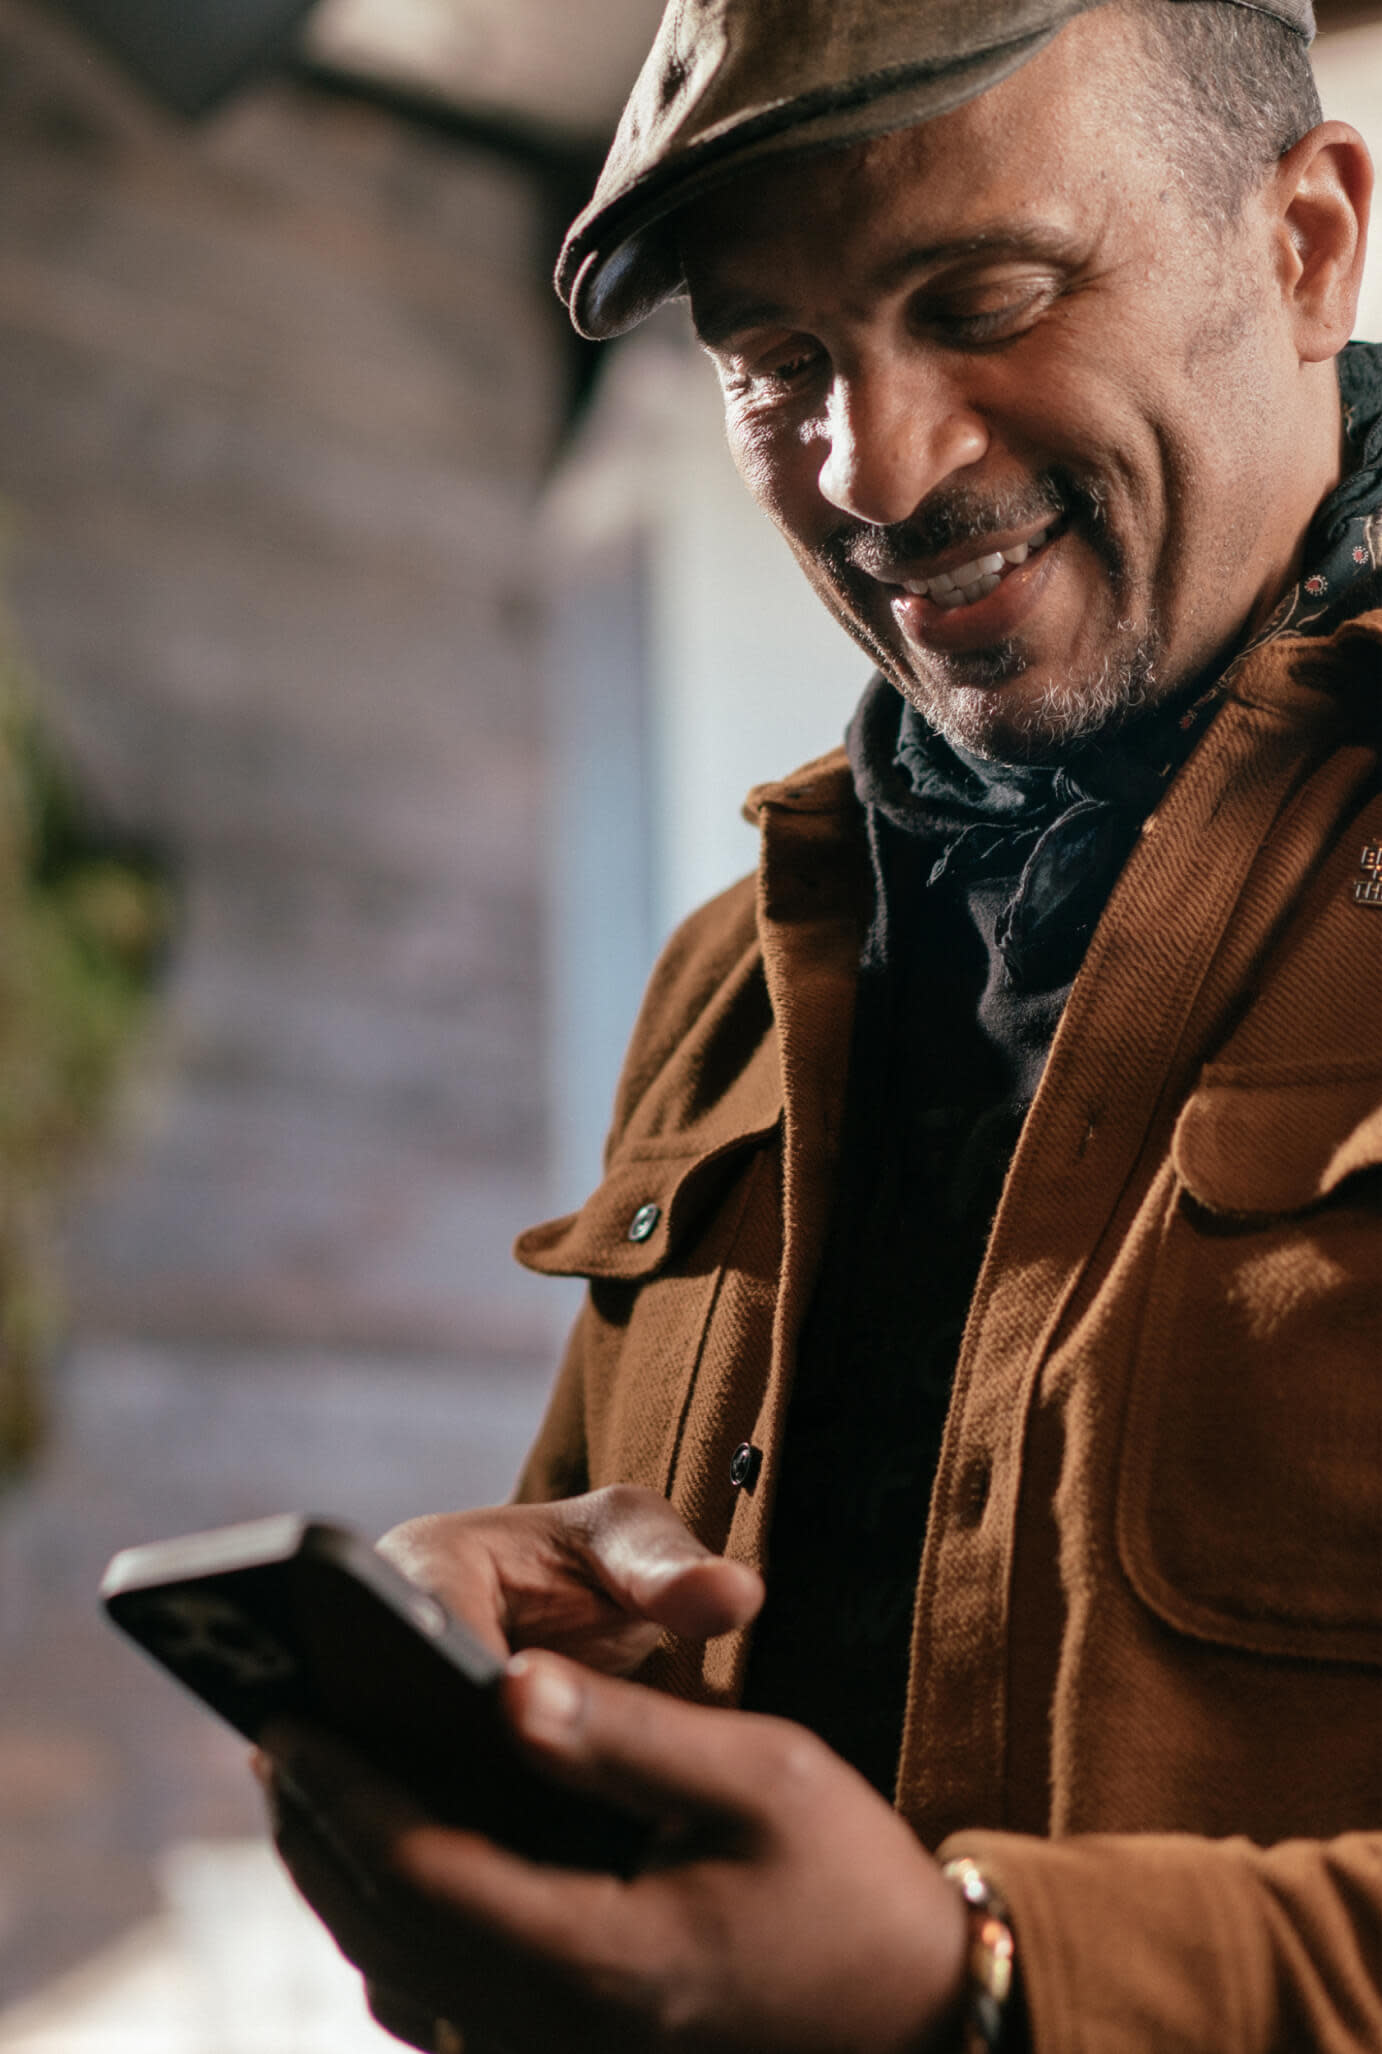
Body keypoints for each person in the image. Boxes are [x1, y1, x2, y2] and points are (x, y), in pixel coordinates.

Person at [260, 0, 1382, 2046]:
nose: (874, 465)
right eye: (773, 364)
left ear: (1302, 244)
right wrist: (499, 1712)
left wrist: (980, 1989)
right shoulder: (730, 980)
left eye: (985, 296)